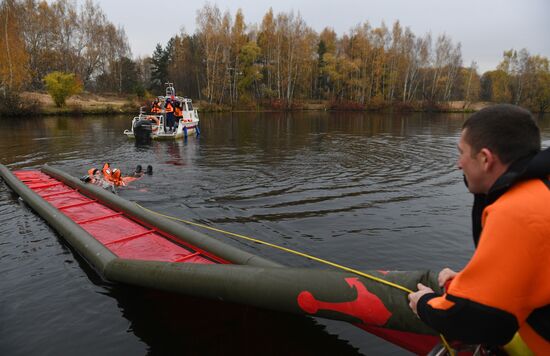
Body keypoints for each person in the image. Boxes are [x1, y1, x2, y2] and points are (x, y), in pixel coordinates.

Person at [408, 104, 550, 354]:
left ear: (485, 159)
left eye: (461, 153)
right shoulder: (541, 189)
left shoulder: (516, 212)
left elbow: (483, 323)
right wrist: (466, 280)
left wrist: (425, 305)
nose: (458, 164)